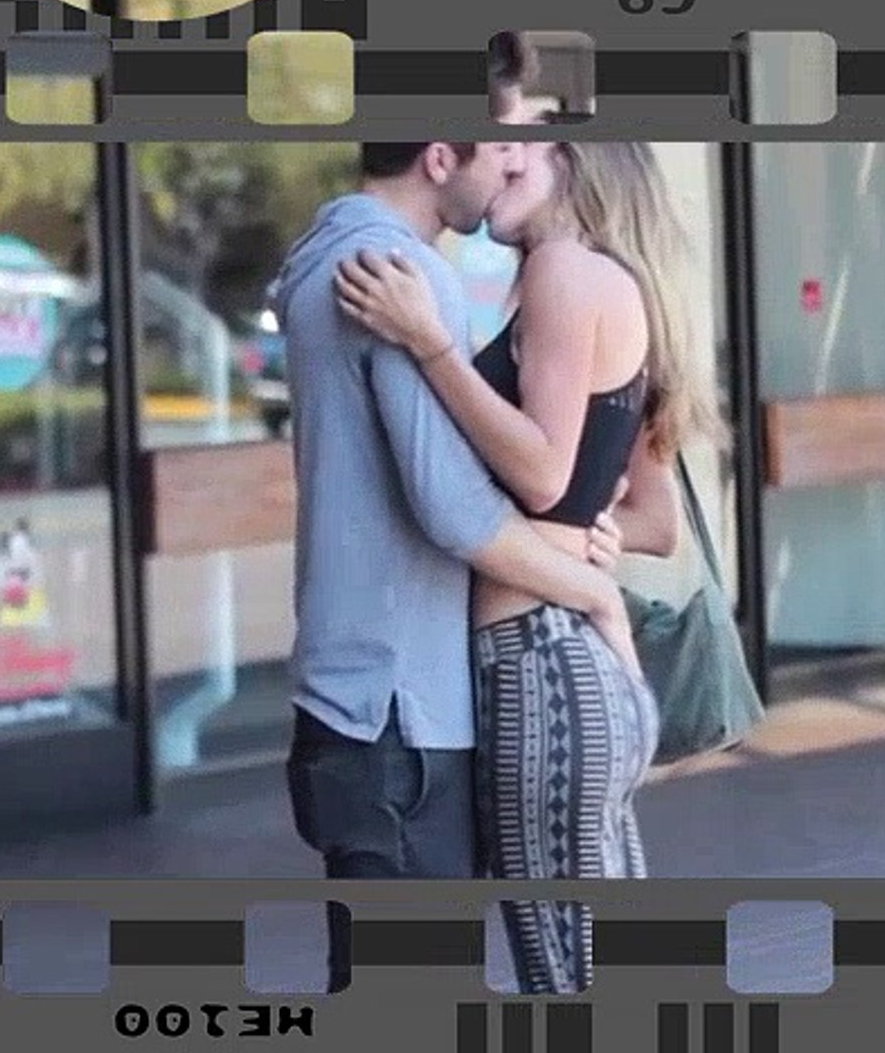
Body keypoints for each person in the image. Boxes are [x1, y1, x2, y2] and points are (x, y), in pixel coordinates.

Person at [334, 140, 728, 993]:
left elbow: (544, 473)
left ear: (577, 172)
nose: (503, 165)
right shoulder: (600, 284)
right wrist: (590, 548)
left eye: (523, 159)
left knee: (566, 975)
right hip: (574, 663)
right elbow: (650, 519)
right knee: (599, 970)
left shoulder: (562, 269)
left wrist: (431, 345)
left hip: (538, 665)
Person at [271, 140, 639, 994]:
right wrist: (596, 595)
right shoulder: (402, 276)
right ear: (441, 156)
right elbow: (455, 510)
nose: (509, 166)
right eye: (502, 147)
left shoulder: (325, 251)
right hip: (397, 712)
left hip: (357, 703)